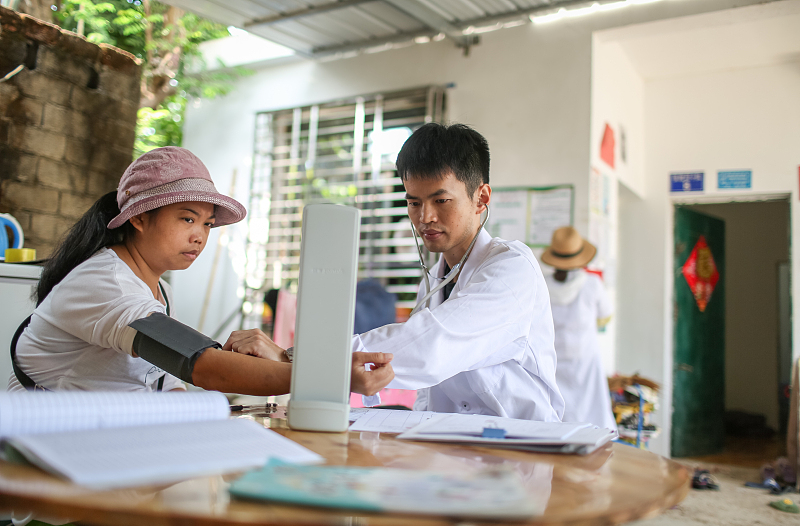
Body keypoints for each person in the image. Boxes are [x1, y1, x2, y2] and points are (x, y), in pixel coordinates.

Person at [8, 147, 393, 396]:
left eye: (207, 224)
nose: (199, 236)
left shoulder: (159, 290)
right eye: (187, 218)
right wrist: (329, 377)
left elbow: (169, 381)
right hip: (53, 469)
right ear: (139, 217)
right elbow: (197, 363)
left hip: (108, 446)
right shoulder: (102, 282)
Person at [352, 123, 564, 422]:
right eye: (414, 202)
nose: (425, 217)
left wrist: (304, 358)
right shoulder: (434, 281)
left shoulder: (513, 269)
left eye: (441, 200)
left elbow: (430, 346)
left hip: (520, 449)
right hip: (452, 448)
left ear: (482, 198)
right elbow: (430, 389)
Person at [541, 226, 617, 430]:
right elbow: (605, 315)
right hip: (585, 358)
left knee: (558, 413)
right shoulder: (591, 285)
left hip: (552, 358)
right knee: (591, 412)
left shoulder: (542, 284)